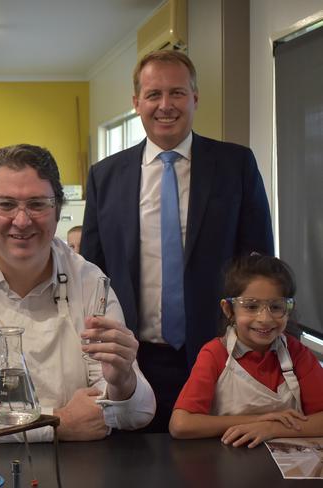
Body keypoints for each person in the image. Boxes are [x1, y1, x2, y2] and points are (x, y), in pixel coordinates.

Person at [81, 50, 274, 432]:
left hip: (219, 358)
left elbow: (260, 265)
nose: (165, 105)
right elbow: (91, 271)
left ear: (195, 98)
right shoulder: (106, 176)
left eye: (177, 93)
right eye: (153, 95)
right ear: (136, 102)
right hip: (133, 363)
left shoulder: (235, 166)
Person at [0, 144, 155, 442]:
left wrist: (123, 383)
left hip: (78, 464)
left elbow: (138, 413)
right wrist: (57, 422)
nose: (22, 220)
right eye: (6, 204)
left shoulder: (89, 281)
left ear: (58, 211)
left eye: (38, 204)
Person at [169, 255, 323, 447]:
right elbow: (181, 424)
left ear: (288, 309)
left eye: (276, 307)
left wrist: (272, 429)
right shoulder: (215, 354)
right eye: (251, 306)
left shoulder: (297, 353)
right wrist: (258, 420)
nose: (265, 318)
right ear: (228, 309)